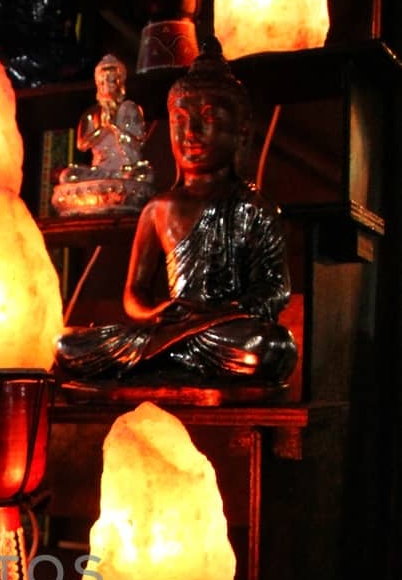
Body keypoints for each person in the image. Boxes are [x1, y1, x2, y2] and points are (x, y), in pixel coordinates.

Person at [56, 45, 298, 385]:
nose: (192, 132)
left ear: (242, 131)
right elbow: (134, 295)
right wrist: (158, 313)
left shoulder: (254, 206)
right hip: (168, 328)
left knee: (271, 347)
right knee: (67, 345)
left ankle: (162, 364)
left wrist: (216, 313)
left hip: (222, 331)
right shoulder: (159, 208)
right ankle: (172, 360)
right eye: (180, 121)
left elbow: (275, 291)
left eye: (209, 118)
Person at [60, 54, 151, 181]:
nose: (107, 85)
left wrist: (115, 128)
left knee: (143, 175)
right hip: (100, 170)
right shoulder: (92, 113)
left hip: (126, 170)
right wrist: (103, 129)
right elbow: (82, 145)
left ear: (120, 83)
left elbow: (139, 143)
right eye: (102, 82)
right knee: (68, 176)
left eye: (112, 81)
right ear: (98, 84)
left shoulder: (130, 109)